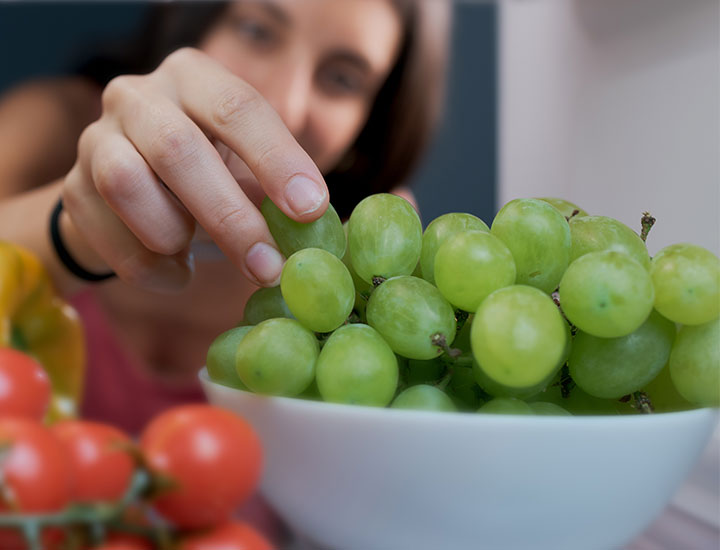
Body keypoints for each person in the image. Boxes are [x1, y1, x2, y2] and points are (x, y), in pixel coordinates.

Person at [0, 0, 450, 440]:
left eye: (341, 79)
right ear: (194, 24)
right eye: (257, 32)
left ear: (370, 125)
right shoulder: (51, 126)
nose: (284, 105)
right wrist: (75, 229)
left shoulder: (362, 279)